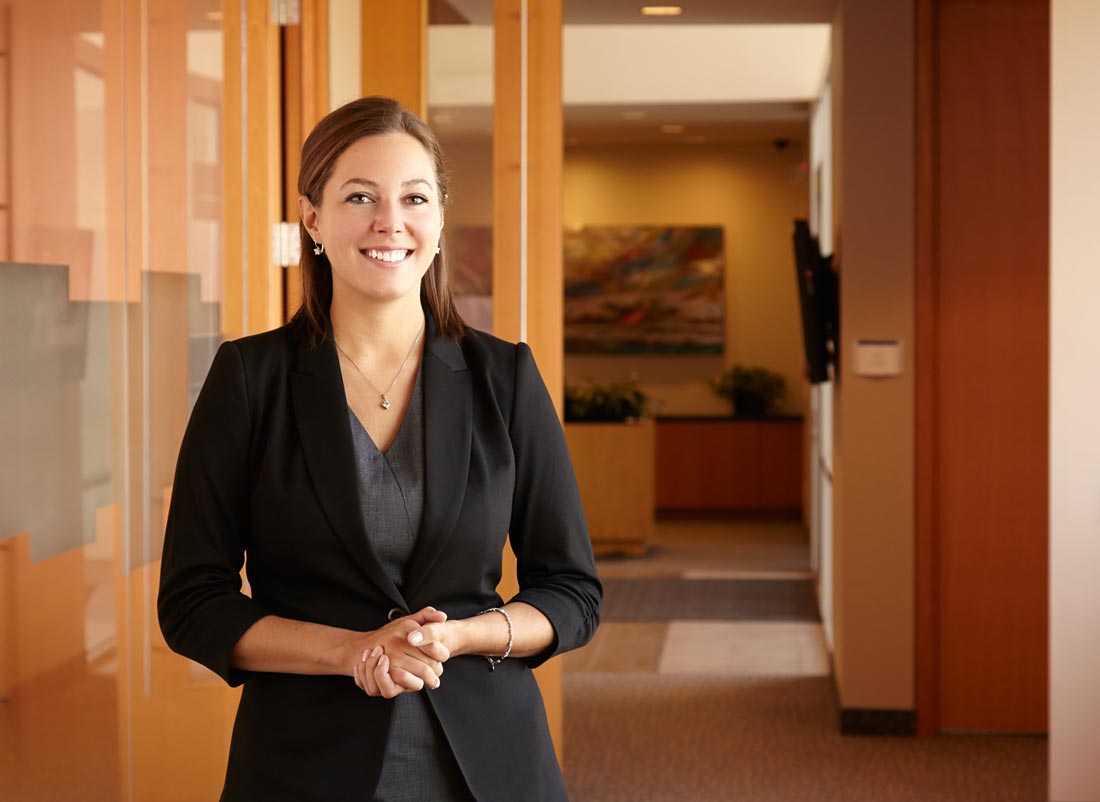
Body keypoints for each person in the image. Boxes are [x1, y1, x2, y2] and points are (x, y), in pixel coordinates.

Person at [158, 96, 602, 802]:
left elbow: (573, 592)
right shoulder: (251, 378)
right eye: (358, 196)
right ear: (313, 219)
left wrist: (463, 637)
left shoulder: (506, 376)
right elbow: (192, 603)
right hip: (303, 763)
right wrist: (351, 650)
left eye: (414, 198)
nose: (388, 222)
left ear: (439, 219)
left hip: (491, 762)